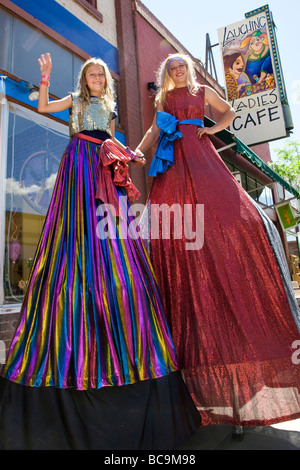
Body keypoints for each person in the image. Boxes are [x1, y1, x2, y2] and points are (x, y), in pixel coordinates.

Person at [0, 53, 201, 450]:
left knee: (112, 235)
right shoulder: (73, 100)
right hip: (78, 165)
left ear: (105, 82)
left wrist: (131, 155)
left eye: (100, 74)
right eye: (91, 73)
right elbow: (41, 107)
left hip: (104, 167)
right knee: (75, 231)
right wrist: (43, 78)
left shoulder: (109, 108)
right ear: (84, 78)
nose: (95, 78)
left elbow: (113, 141)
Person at [135, 53, 300, 433]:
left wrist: (212, 130)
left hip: (201, 157)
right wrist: (138, 153)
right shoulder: (163, 100)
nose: (177, 72)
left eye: (181, 68)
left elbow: (229, 113)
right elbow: (152, 132)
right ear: (165, 73)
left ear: (188, 70)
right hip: (173, 164)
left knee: (233, 216)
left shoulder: (202, 91)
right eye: (172, 69)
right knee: (168, 228)